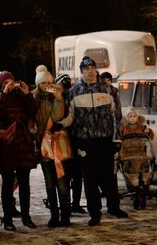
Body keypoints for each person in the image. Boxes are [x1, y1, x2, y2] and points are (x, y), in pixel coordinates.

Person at [61, 56, 128, 226]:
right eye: (86, 69)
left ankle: (113, 207)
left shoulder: (109, 90)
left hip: (105, 140)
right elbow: (70, 117)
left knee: (109, 176)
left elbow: (116, 116)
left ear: (95, 69)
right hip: (84, 142)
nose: (89, 71)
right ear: (82, 71)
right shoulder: (74, 92)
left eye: (92, 68)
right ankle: (94, 213)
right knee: (89, 179)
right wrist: (59, 124)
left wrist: (117, 139)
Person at [0, 70, 39, 231]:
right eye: (4, 83)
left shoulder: (21, 96)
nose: (9, 85)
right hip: (7, 144)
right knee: (7, 184)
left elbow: (34, 111)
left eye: (10, 82)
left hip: (23, 143)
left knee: (25, 184)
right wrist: (4, 93)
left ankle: (26, 217)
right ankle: (8, 219)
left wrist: (26, 95)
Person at [31, 65, 71, 227]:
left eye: (50, 81)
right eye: (43, 83)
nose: (47, 85)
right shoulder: (34, 98)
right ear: (38, 84)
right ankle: (54, 215)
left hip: (58, 143)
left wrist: (59, 99)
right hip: (43, 145)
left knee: (62, 180)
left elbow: (57, 116)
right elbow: (33, 118)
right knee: (49, 182)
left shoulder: (57, 95)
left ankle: (65, 216)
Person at [56, 72, 86, 214]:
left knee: (77, 174)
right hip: (63, 139)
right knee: (66, 175)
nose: (65, 87)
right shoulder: (57, 96)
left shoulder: (72, 95)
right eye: (63, 83)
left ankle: (75, 203)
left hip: (75, 138)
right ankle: (66, 203)